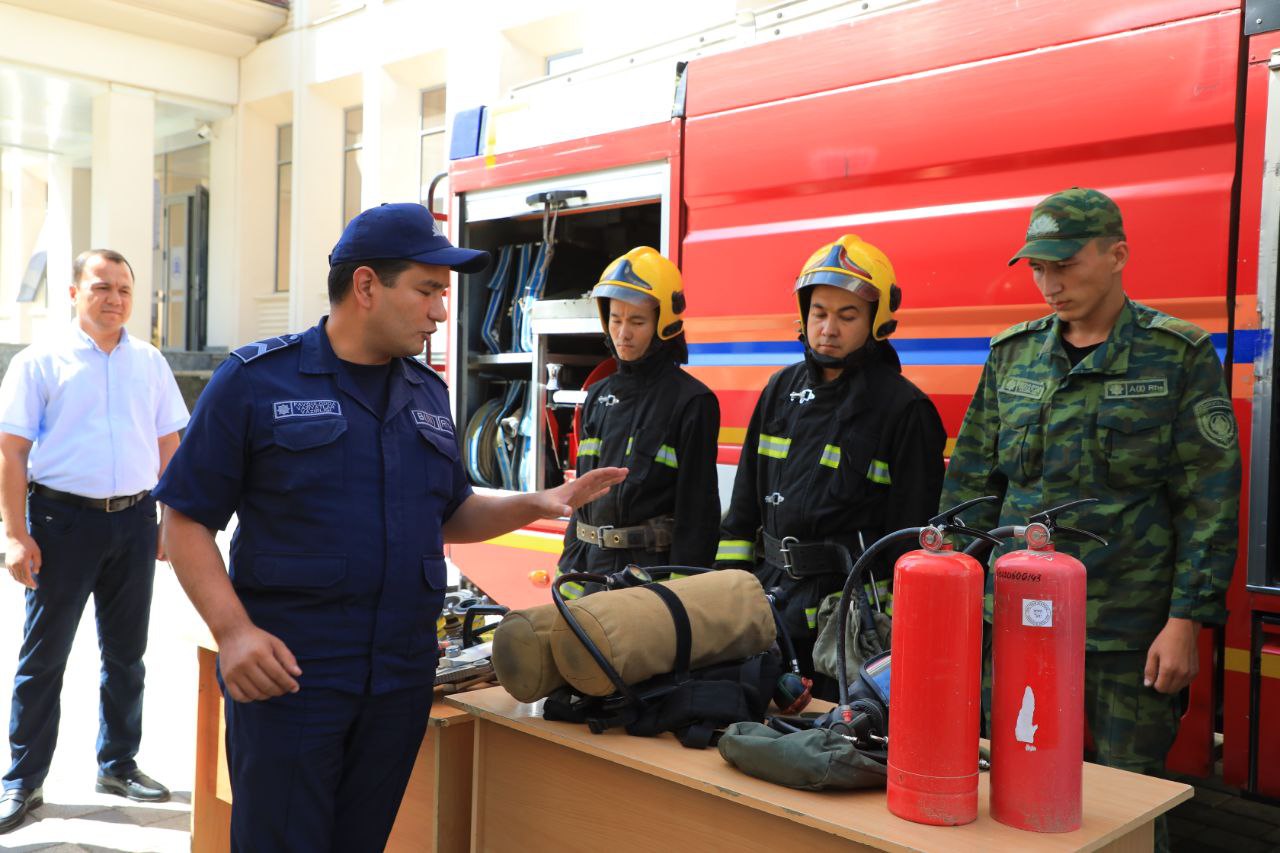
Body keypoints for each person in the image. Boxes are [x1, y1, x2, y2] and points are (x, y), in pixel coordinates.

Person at [154, 203, 626, 852]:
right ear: (367, 286)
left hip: (399, 683)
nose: (441, 312)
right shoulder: (256, 381)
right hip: (293, 677)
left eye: (443, 294)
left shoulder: (427, 392)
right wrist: (233, 633)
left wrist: (538, 501)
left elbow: (450, 513)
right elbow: (184, 518)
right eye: (428, 290)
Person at [940, 187, 1241, 853]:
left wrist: (1186, 621)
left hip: (1126, 632)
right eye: (1039, 268)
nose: (1051, 284)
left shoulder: (1177, 354)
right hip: (1013, 623)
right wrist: (952, 606)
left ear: (1117, 256)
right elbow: (972, 486)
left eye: (1066, 265)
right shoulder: (1012, 354)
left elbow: (1208, 499)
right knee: (1007, 785)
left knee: (1125, 804)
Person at [0, 249, 189, 834]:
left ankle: (118, 764)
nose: (115, 299)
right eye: (102, 287)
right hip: (61, 523)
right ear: (75, 292)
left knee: (127, 654)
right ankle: (22, 780)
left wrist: (170, 520)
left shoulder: (149, 362)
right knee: (44, 657)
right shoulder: (39, 362)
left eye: (124, 289)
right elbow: (12, 451)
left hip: (134, 521)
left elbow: (169, 444)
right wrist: (15, 534)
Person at [715, 235, 947, 697]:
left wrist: (891, 633)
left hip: (844, 625)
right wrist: (727, 595)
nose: (828, 329)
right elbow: (741, 513)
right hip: (767, 606)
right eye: (819, 313)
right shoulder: (780, 390)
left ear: (877, 321)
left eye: (847, 315)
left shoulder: (904, 410)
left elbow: (912, 542)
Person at [557, 247, 720, 582]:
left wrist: (681, 595)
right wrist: (568, 579)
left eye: (637, 321)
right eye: (616, 319)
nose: (623, 334)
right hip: (589, 570)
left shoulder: (692, 402)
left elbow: (697, 515)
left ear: (664, 324)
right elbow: (581, 498)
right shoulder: (598, 395)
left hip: (648, 576)